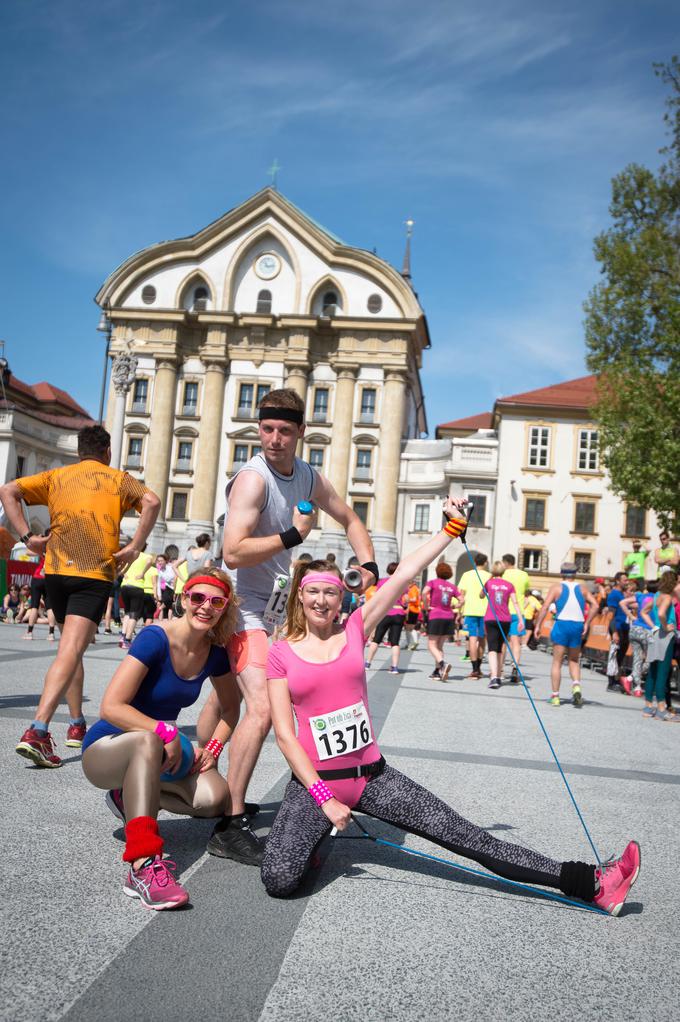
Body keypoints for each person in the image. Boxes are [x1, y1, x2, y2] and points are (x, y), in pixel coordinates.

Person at [261, 501, 640, 917]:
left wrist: (451, 529)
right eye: (313, 591)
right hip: (316, 785)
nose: (321, 600)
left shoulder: (356, 627)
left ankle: (594, 882)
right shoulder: (281, 653)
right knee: (279, 880)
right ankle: (316, 840)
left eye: (329, 592)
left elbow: (404, 572)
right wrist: (324, 800)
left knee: (474, 840)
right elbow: (284, 734)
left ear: (340, 597)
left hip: (373, 778)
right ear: (301, 595)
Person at [199, 388, 378, 866]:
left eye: (284, 430)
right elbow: (233, 550)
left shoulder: (308, 476)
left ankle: (203, 770)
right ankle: (229, 824)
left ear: (301, 432)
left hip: (276, 612)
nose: (274, 439)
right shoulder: (252, 481)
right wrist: (292, 537)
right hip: (244, 610)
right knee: (260, 708)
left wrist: (370, 566)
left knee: (231, 700)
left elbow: (350, 517)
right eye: (266, 429)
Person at [81, 568, 241, 909]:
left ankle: (128, 796)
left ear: (224, 608)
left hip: (159, 750)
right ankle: (142, 863)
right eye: (198, 597)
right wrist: (164, 730)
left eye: (216, 601)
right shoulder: (155, 638)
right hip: (107, 747)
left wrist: (213, 747)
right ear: (184, 598)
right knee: (146, 741)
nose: (205, 607)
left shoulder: (214, 653)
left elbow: (231, 708)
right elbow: (111, 706)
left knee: (214, 799)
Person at [2, 425, 161, 768]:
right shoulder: (117, 479)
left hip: (56, 571)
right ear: (107, 453)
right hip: (92, 573)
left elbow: (8, 489)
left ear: (78, 452)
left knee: (68, 650)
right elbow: (152, 501)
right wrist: (134, 546)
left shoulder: (58, 476)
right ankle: (38, 730)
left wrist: (27, 535)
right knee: (71, 650)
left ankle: (75, 723)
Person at [533, 563, 599, 707]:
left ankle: (555, 696)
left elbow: (545, 607)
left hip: (562, 623)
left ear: (562, 573)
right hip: (577, 625)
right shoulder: (582, 588)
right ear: (575, 574)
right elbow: (596, 605)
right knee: (574, 660)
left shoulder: (556, 587)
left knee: (557, 662)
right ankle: (576, 686)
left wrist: (538, 625)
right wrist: (587, 622)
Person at [640, 570, 679, 721]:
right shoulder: (668, 596)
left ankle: (648, 706)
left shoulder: (656, 595)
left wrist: (654, 626)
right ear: (673, 582)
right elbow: (662, 613)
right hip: (665, 636)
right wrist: (664, 626)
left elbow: (644, 611)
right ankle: (661, 708)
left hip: (655, 635)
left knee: (653, 671)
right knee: (663, 671)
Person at [482, 562, 524, 689]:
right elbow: (515, 602)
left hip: (491, 618)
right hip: (506, 619)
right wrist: (521, 620)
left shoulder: (489, 583)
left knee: (492, 649)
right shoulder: (509, 585)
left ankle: (494, 677)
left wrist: (488, 582)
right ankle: (499, 675)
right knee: (500, 648)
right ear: (503, 572)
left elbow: (481, 595)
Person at [364, 563, 408, 675]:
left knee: (376, 640)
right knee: (395, 642)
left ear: (388, 570)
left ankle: (368, 663)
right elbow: (406, 600)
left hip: (386, 612)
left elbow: (378, 596)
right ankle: (394, 667)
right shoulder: (403, 582)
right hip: (399, 612)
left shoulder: (382, 581)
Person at [422, 561, 460, 681]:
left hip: (436, 615)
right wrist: (454, 607)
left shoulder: (433, 582)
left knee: (431, 644)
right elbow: (462, 600)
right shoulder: (452, 586)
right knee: (440, 646)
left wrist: (427, 605)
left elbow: (424, 592)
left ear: (437, 572)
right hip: (448, 616)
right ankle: (437, 671)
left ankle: (442, 664)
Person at [458, 553, 490, 680]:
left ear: (475, 562)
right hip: (485, 612)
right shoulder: (489, 576)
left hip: (470, 610)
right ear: (485, 563)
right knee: (482, 640)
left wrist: (459, 611)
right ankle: (479, 668)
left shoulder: (467, 575)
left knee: (472, 638)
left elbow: (461, 593)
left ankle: (474, 669)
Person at [621, 580, 655, 698]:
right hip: (648, 630)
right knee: (652, 659)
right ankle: (630, 679)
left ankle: (637, 688)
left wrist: (631, 616)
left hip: (635, 629)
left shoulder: (641, 596)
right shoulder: (659, 598)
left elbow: (623, 602)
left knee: (637, 658)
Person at [501, 554, 530, 682]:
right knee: (516, 642)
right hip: (518, 613)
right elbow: (526, 592)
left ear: (505, 563)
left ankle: (500, 670)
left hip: (503, 612)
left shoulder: (503, 574)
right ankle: (515, 666)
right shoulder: (524, 574)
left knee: (502, 642)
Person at [119, 547, 152, 650]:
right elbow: (150, 561)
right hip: (137, 587)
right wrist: (143, 572)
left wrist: (124, 573)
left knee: (127, 612)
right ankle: (127, 640)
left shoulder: (129, 556)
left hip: (125, 586)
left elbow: (119, 566)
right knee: (134, 614)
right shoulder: (146, 556)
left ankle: (122, 636)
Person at [606, 572, 632, 694]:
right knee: (614, 656)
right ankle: (611, 683)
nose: (627, 582)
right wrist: (614, 632)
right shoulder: (614, 595)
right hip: (618, 629)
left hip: (625, 628)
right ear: (617, 581)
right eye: (624, 580)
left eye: (627, 580)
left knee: (620, 657)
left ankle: (617, 680)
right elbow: (610, 615)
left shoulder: (623, 594)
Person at [24, 552, 56, 640]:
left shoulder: (44, 547)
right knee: (50, 607)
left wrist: (41, 552)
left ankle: (29, 633)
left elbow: (29, 553)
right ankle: (51, 634)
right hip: (49, 579)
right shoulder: (57, 550)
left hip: (38, 577)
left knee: (34, 606)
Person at [404, 579, 422, 650]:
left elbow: (414, 599)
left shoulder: (413, 589)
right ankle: (412, 642)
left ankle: (412, 642)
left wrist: (407, 600)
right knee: (410, 627)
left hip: (411, 609)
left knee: (408, 627)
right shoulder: (416, 589)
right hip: (416, 610)